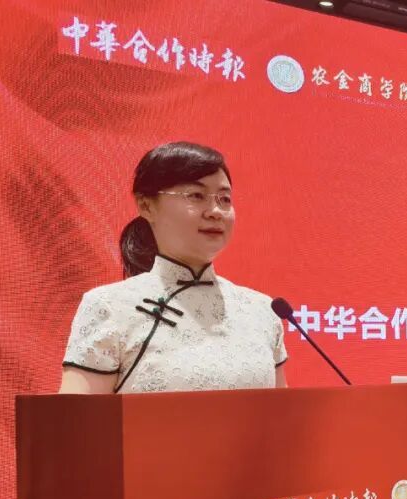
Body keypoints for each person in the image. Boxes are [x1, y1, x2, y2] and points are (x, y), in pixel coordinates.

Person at [59, 141, 288, 394]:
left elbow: (283, 414)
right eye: (196, 196)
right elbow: (77, 416)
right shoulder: (110, 306)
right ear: (146, 205)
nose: (215, 211)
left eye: (224, 199)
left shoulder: (262, 311)